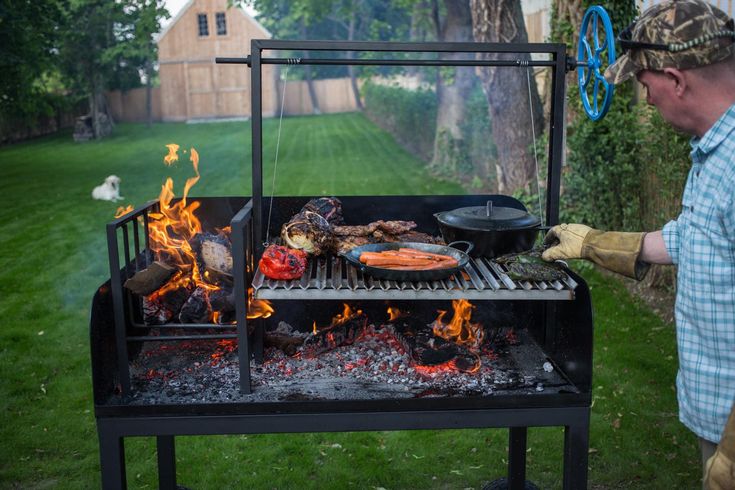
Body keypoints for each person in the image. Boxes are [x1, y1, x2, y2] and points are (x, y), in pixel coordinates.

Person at [541, 0, 735, 487]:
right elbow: (695, 240)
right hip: (717, 414)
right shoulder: (716, 153)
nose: (647, 101)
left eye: (645, 86)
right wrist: (594, 244)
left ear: (676, 79)